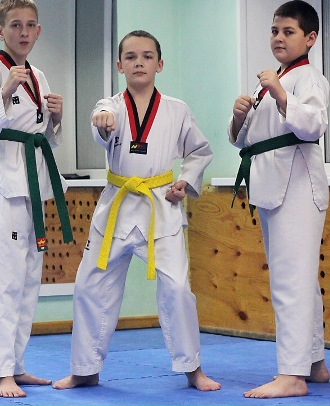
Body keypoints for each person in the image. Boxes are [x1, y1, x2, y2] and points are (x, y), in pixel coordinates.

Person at [53, 30, 220, 392]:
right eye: (130, 57)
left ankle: (192, 368)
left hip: (161, 205)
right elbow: (101, 119)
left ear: (160, 64)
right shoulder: (111, 106)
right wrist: (101, 120)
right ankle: (85, 369)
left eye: (147, 56)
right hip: (117, 204)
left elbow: (200, 151)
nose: (139, 62)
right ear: (119, 66)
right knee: (88, 286)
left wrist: (185, 181)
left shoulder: (177, 109)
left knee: (177, 288)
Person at [0, 0, 72, 398]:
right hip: (4, 182)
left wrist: (56, 119)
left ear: (39, 30)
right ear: (1, 30)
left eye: (30, 25)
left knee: (28, 278)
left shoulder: (39, 75)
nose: (23, 32)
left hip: (34, 180)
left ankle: (15, 364)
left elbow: (45, 134)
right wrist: (4, 91)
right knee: (3, 279)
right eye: (15, 25)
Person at [229, 0, 330, 398]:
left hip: (298, 184)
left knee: (291, 280)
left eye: (288, 31)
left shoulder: (308, 78)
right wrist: (239, 116)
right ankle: (314, 362)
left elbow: (314, 124)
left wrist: (280, 93)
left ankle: (292, 374)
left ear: (310, 38)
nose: (278, 38)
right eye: (274, 31)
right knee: (299, 278)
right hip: (272, 182)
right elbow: (243, 139)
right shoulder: (272, 81)